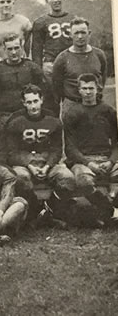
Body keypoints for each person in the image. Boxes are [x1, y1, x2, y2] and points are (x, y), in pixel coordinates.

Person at [4, 85, 76, 214]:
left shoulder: (53, 120)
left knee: (67, 177)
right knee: (21, 176)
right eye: (29, 102)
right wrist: (29, 165)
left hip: (47, 160)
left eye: (35, 101)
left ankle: (53, 206)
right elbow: (11, 153)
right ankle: (34, 210)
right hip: (25, 162)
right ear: (23, 103)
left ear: (42, 100)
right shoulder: (15, 121)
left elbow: (57, 150)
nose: (33, 106)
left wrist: (47, 166)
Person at [64, 74, 118, 223]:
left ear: (98, 89)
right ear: (79, 90)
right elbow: (70, 147)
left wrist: (111, 161)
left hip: (106, 158)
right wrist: (89, 164)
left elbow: (116, 142)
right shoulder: (72, 113)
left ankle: (113, 202)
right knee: (83, 181)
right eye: (84, 88)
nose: (88, 92)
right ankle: (108, 208)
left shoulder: (108, 111)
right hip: (84, 161)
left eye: (91, 88)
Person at [52, 17, 107, 120]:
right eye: (76, 33)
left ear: (89, 33)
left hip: (95, 105)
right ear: (70, 35)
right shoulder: (62, 58)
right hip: (72, 107)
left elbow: (102, 79)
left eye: (83, 32)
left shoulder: (99, 55)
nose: (80, 36)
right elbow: (56, 87)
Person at [31, 0, 74, 112]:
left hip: (70, 64)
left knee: (71, 101)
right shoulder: (40, 22)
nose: (55, 0)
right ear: (47, 0)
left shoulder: (73, 19)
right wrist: (38, 72)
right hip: (50, 65)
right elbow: (36, 50)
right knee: (51, 103)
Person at [0, 34, 44, 124]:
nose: (14, 52)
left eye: (16, 48)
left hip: (28, 115)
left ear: (22, 48)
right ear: (4, 50)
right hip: (5, 115)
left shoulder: (32, 68)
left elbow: (42, 92)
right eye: (10, 49)